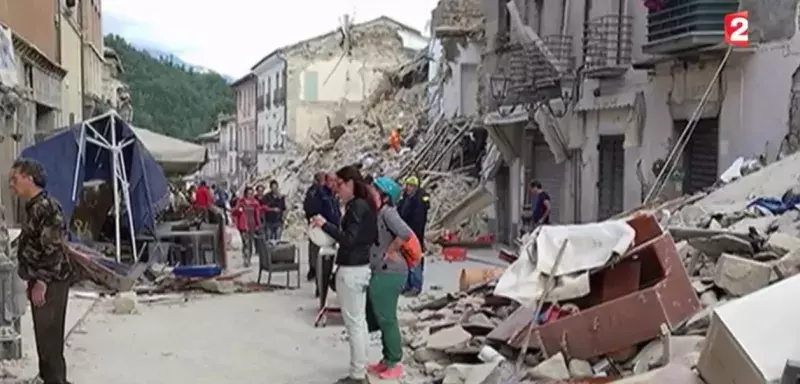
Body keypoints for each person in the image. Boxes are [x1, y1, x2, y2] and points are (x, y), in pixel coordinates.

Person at [310, 166, 377, 384]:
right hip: (361, 266)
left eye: (339, 185)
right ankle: (361, 367)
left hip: (352, 268)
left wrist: (325, 226)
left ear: (349, 183)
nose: (336, 190)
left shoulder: (356, 207)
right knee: (360, 321)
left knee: (354, 324)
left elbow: (348, 238)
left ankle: (357, 374)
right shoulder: (365, 205)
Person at [9, 158, 74, 384]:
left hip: (52, 282)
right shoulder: (33, 207)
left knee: (50, 341)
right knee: (43, 341)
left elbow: (53, 248)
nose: (11, 185)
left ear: (29, 178)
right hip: (41, 280)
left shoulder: (46, 207)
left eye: (15, 179)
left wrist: (42, 282)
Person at [366, 177, 412, 379]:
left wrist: (391, 249)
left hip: (390, 272)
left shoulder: (388, 213)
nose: (370, 193)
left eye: (374, 191)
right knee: (380, 316)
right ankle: (386, 359)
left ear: (384, 197)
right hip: (381, 271)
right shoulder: (379, 213)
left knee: (387, 318)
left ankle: (395, 361)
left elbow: (405, 232)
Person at [397, 175, 429, 295]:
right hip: (406, 234)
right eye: (407, 185)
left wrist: (413, 235)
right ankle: (408, 284)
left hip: (414, 235)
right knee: (406, 259)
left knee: (415, 259)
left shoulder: (418, 200)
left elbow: (418, 219)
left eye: (410, 186)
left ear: (415, 187)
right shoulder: (406, 198)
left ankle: (416, 285)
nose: (408, 188)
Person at [303, 173, 327, 281]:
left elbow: (306, 206)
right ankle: (318, 270)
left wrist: (309, 218)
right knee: (319, 247)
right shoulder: (321, 191)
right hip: (320, 222)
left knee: (312, 246)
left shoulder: (310, 191)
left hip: (311, 221)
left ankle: (313, 268)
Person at [232, 187, 262, 267]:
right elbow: (235, 211)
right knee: (245, 243)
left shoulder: (255, 203)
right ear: (245, 194)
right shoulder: (241, 202)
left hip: (251, 224)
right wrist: (236, 211)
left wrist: (258, 225)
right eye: (248, 193)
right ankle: (246, 259)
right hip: (243, 225)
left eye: (251, 193)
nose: (250, 195)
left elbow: (257, 215)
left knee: (250, 243)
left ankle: (248, 258)